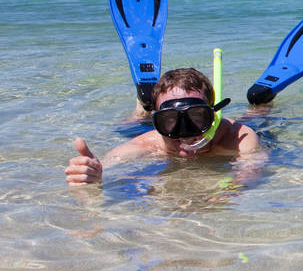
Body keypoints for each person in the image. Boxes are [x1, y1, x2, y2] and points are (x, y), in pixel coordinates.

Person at [65, 67, 261, 185]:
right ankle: (141, 110)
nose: (184, 133)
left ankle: (260, 105)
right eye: (170, 120)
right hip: (145, 129)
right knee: (128, 126)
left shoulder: (238, 138)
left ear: (213, 116)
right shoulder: (146, 146)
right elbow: (106, 168)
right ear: (157, 122)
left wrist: (229, 193)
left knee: (258, 114)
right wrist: (94, 177)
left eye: (196, 117)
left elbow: (251, 174)